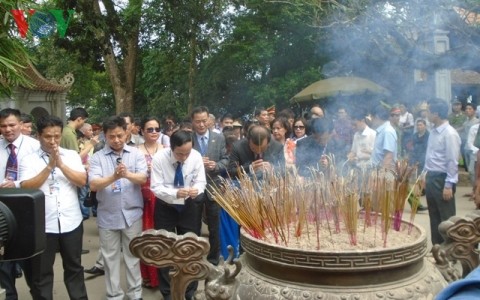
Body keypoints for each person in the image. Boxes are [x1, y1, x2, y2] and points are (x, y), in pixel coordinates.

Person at [19, 115, 88, 300]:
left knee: (74, 267)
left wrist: (61, 164)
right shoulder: (28, 160)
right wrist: (50, 166)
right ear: (39, 136)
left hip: (71, 222)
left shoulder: (71, 155)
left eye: (56, 136)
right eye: (48, 136)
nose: (53, 141)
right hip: (43, 225)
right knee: (41, 273)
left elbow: (82, 181)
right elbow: (26, 187)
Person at [89, 116, 148, 300]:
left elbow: (143, 178)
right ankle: (114, 295)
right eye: (111, 136)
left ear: (126, 133)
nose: (116, 140)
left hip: (132, 214)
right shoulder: (97, 157)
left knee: (132, 257)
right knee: (110, 258)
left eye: (120, 135)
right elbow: (93, 184)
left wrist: (127, 174)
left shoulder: (136, 154)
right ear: (104, 136)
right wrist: (114, 177)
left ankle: (135, 294)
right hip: (108, 215)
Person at [150, 130, 207, 300]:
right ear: (171, 148)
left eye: (187, 153)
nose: (183, 157)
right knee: (164, 249)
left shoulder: (195, 157)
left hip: (189, 207)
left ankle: (189, 292)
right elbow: (156, 187)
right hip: (165, 207)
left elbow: (201, 181)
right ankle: (168, 293)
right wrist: (175, 194)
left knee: (190, 249)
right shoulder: (159, 158)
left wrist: (197, 190)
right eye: (179, 153)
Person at [0, 108, 40, 300]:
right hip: (2, 215)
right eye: (3, 126)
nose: (7, 129)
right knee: (3, 266)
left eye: (11, 125)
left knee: (32, 267)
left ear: (20, 124)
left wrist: (16, 184)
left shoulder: (34, 146)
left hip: (27, 213)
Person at [190, 106, 228, 266]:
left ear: (209, 120)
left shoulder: (218, 138)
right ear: (192, 122)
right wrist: (197, 164)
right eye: (197, 121)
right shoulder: (187, 138)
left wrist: (216, 165)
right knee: (193, 224)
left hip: (213, 186)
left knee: (214, 225)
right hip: (194, 187)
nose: (201, 124)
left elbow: (226, 159)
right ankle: (194, 258)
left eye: (204, 121)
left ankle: (213, 260)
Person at [423, 99, 461, 245]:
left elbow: (452, 161)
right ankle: (437, 248)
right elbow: (430, 156)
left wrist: (449, 185)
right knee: (434, 216)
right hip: (431, 177)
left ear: (436, 114)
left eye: (428, 111)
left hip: (442, 179)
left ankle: (451, 251)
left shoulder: (450, 134)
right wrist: (424, 175)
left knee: (447, 218)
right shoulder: (433, 132)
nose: (426, 114)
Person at [137, 116, 163, 289]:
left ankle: (161, 278)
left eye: (156, 129)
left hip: (160, 198)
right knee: (145, 237)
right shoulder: (135, 150)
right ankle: (146, 276)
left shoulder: (166, 149)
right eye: (150, 129)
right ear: (142, 131)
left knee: (161, 237)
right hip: (141, 197)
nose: (154, 132)